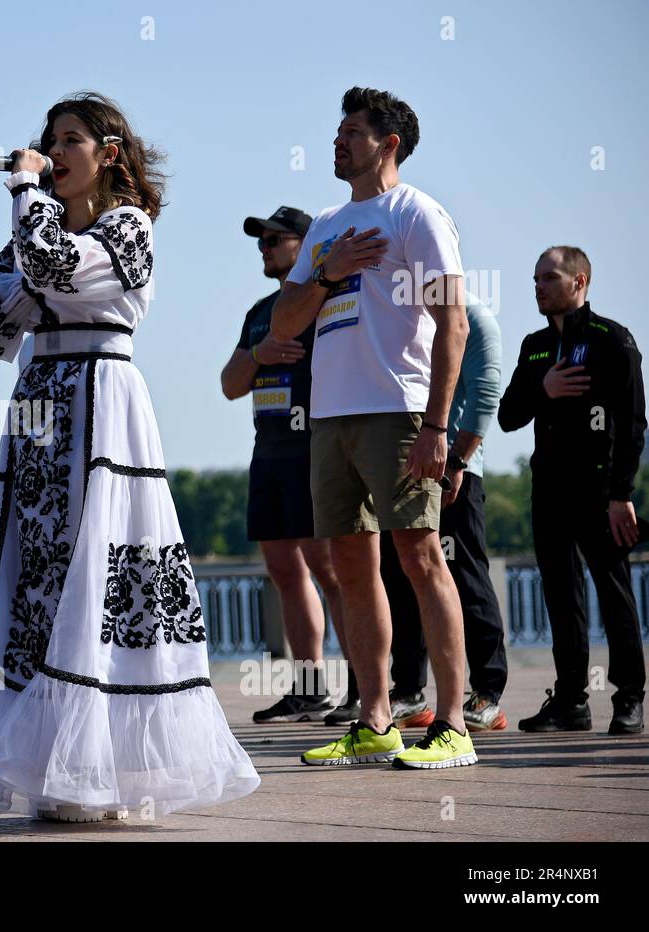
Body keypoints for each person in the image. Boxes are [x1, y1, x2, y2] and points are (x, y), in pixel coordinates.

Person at [0, 91, 260, 822]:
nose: (54, 152)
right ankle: (52, 766)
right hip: (40, 402)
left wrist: (26, 203)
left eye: (70, 139)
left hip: (102, 403)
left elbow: (54, 270)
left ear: (107, 154)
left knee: (100, 568)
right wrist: (28, 257)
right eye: (50, 140)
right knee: (41, 570)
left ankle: (110, 767)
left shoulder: (129, 227)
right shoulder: (35, 227)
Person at [270, 86, 478, 769]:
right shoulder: (328, 222)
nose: (338, 141)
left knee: (421, 559)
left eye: (352, 132)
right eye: (338, 131)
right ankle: (375, 720)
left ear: (388, 144)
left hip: (400, 411)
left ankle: (451, 725)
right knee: (352, 570)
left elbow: (454, 323)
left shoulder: (416, 213)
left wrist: (439, 427)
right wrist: (327, 272)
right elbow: (284, 324)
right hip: (330, 418)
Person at [498, 246, 646, 735]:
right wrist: (544, 388)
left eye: (549, 278)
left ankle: (628, 699)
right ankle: (570, 703)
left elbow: (632, 427)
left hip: (601, 493)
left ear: (579, 281)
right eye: (535, 278)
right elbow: (508, 416)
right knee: (562, 600)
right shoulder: (534, 346)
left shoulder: (613, 341)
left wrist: (621, 494)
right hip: (550, 493)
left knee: (615, 593)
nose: (538, 286)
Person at [221, 206, 353, 724]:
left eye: (276, 239)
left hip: (313, 449)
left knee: (332, 568)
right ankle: (309, 688)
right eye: (262, 241)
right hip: (269, 452)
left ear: (305, 245)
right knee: (283, 570)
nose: (265, 247)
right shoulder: (261, 312)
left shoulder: (326, 301)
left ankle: (365, 687)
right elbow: (231, 384)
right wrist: (261, 353)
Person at [382, 293, 509, 732]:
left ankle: (488, 693)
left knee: (466, 577)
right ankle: (411, 692)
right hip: (405, 468)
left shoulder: (472, 316)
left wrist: (458, 461)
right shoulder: (403, 312)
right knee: (401, 580)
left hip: (455, 472)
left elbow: (486, 396)